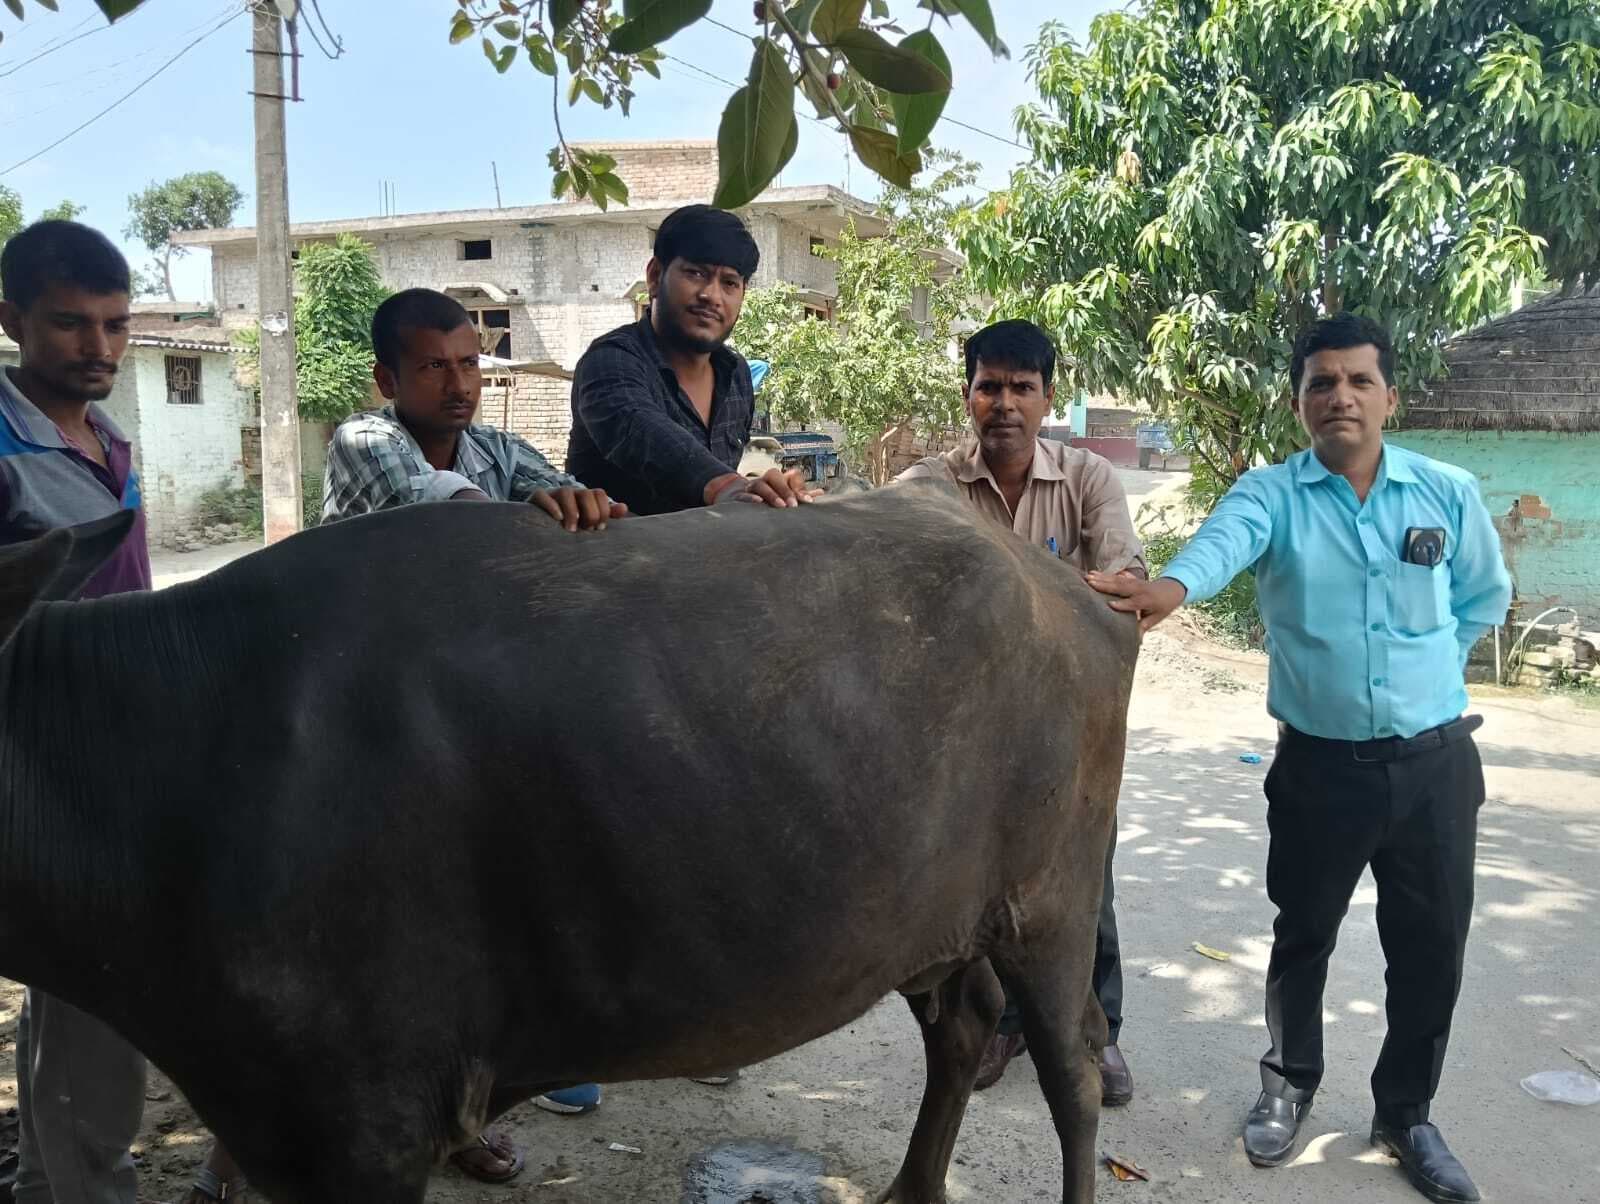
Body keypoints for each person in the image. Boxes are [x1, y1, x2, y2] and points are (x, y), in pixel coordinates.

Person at [184, 289, 615, 1202]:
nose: (459, 384)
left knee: (461, 941)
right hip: (341, 728)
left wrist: (580, 504)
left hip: (446, 727)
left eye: (469, 364)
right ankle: (231, 1162)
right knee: (321, 957)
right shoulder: (365, 440)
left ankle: (457, 1125)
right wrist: (537, 515)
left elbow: (570, 505)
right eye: (433, 367)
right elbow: (447, 509)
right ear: (388, 379)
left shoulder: (500, 449)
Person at [1090, 313, 1510, 1203]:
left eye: (1359, 380)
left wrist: (1428, 671)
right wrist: (1168, 588)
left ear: (1391, 397)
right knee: (1304, 935)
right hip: (1321, 769)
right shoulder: (1271, 495)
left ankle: (1407, 1114)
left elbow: (1483, 597)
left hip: (1436, 768)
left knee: (1432, 950)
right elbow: (1218, 549)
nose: (1340, 396)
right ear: (1299, 404)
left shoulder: (1446, 492)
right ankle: (1287, 1084)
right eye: (1322, 382)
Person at [896, 318, 1145, 1107]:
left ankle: (1096, 1033)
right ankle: (1000, 1026)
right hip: (965, 735)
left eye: (1021, 388)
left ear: (1048, 399)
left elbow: (1123, 591)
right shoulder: (929, 485)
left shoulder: (1087, 480)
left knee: (1083, 887)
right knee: (977, 888)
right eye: (989, 387)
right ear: (968, 395)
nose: (1004, 403)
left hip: (1065, 730)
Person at [1, 221, 152, 1204]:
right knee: (105, 986)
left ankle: (44, 1182)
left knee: (65, 988)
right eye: (69, 323)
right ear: (10, 319)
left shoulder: (108, 438)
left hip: (119, 743)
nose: (98, 346)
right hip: (41, 765)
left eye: (115, 323)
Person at [566, 204, 815, 516]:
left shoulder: (736, 374)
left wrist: (767, 490)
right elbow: (641, 430)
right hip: (612, 546)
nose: (712, 296)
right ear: (655, 276)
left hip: (708, 546)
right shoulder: (610, 361)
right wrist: (728, 485)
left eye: (729, 282)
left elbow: (723, 488)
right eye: (696, 273)